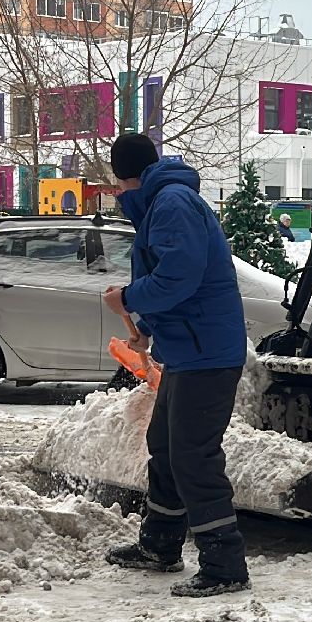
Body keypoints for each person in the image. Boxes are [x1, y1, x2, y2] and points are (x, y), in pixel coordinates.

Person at [101, 132, 251, 597]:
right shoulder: (161, 202)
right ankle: (161, 545)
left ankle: (225, 564)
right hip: (189, 349)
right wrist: (144, 324)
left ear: (123, 176)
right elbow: (174, 278)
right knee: (165, 445)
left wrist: (127, 298)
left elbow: (179, 277)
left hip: (208, 353)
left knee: (192, 454)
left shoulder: (172, 203)